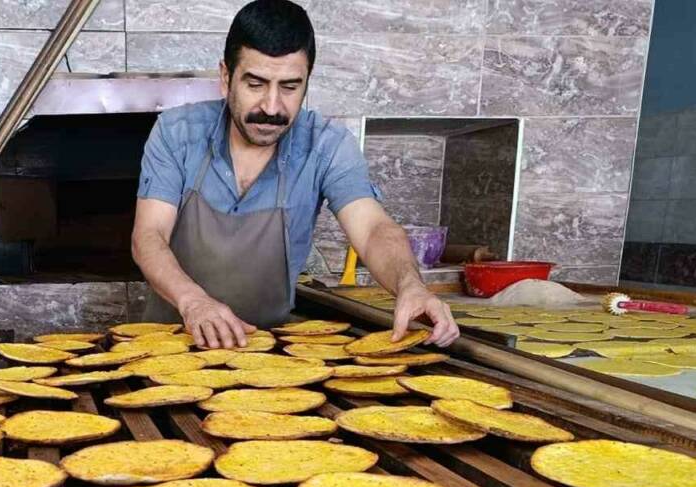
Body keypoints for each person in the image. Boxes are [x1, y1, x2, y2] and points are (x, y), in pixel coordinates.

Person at [130, 0, 459, 350]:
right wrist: (193, 301)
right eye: (255, 84)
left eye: (289, 87)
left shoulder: (327, 145)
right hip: (169, 345)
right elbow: (148, 236)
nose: (272, 107)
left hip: (268, 355)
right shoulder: (177, 133)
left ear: (306, 82)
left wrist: (411, 286)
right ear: (226, 78)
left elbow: (374, 228)